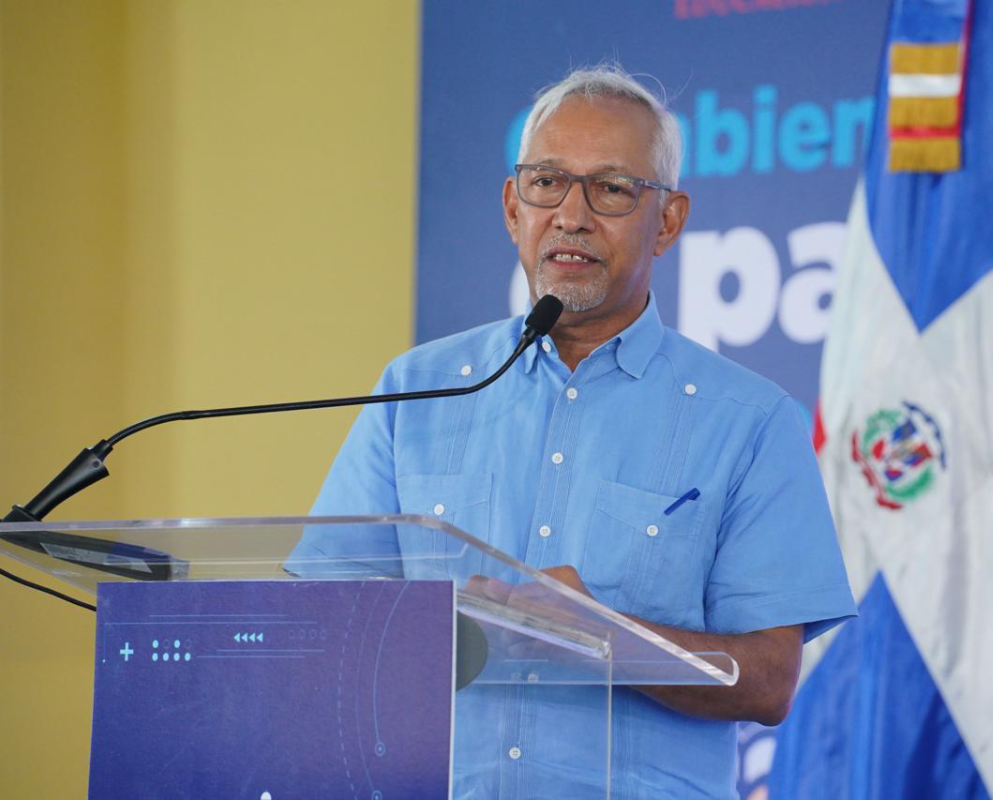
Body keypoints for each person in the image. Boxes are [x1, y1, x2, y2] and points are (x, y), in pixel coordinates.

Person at [288, 64, 856, 798]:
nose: (572, 214)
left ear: (670, 222)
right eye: (547, 182)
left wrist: (604, 636)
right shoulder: (414, 390)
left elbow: (770, 681)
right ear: (511, 206)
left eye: (612, 189)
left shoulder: (750, 421)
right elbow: (321, 625)